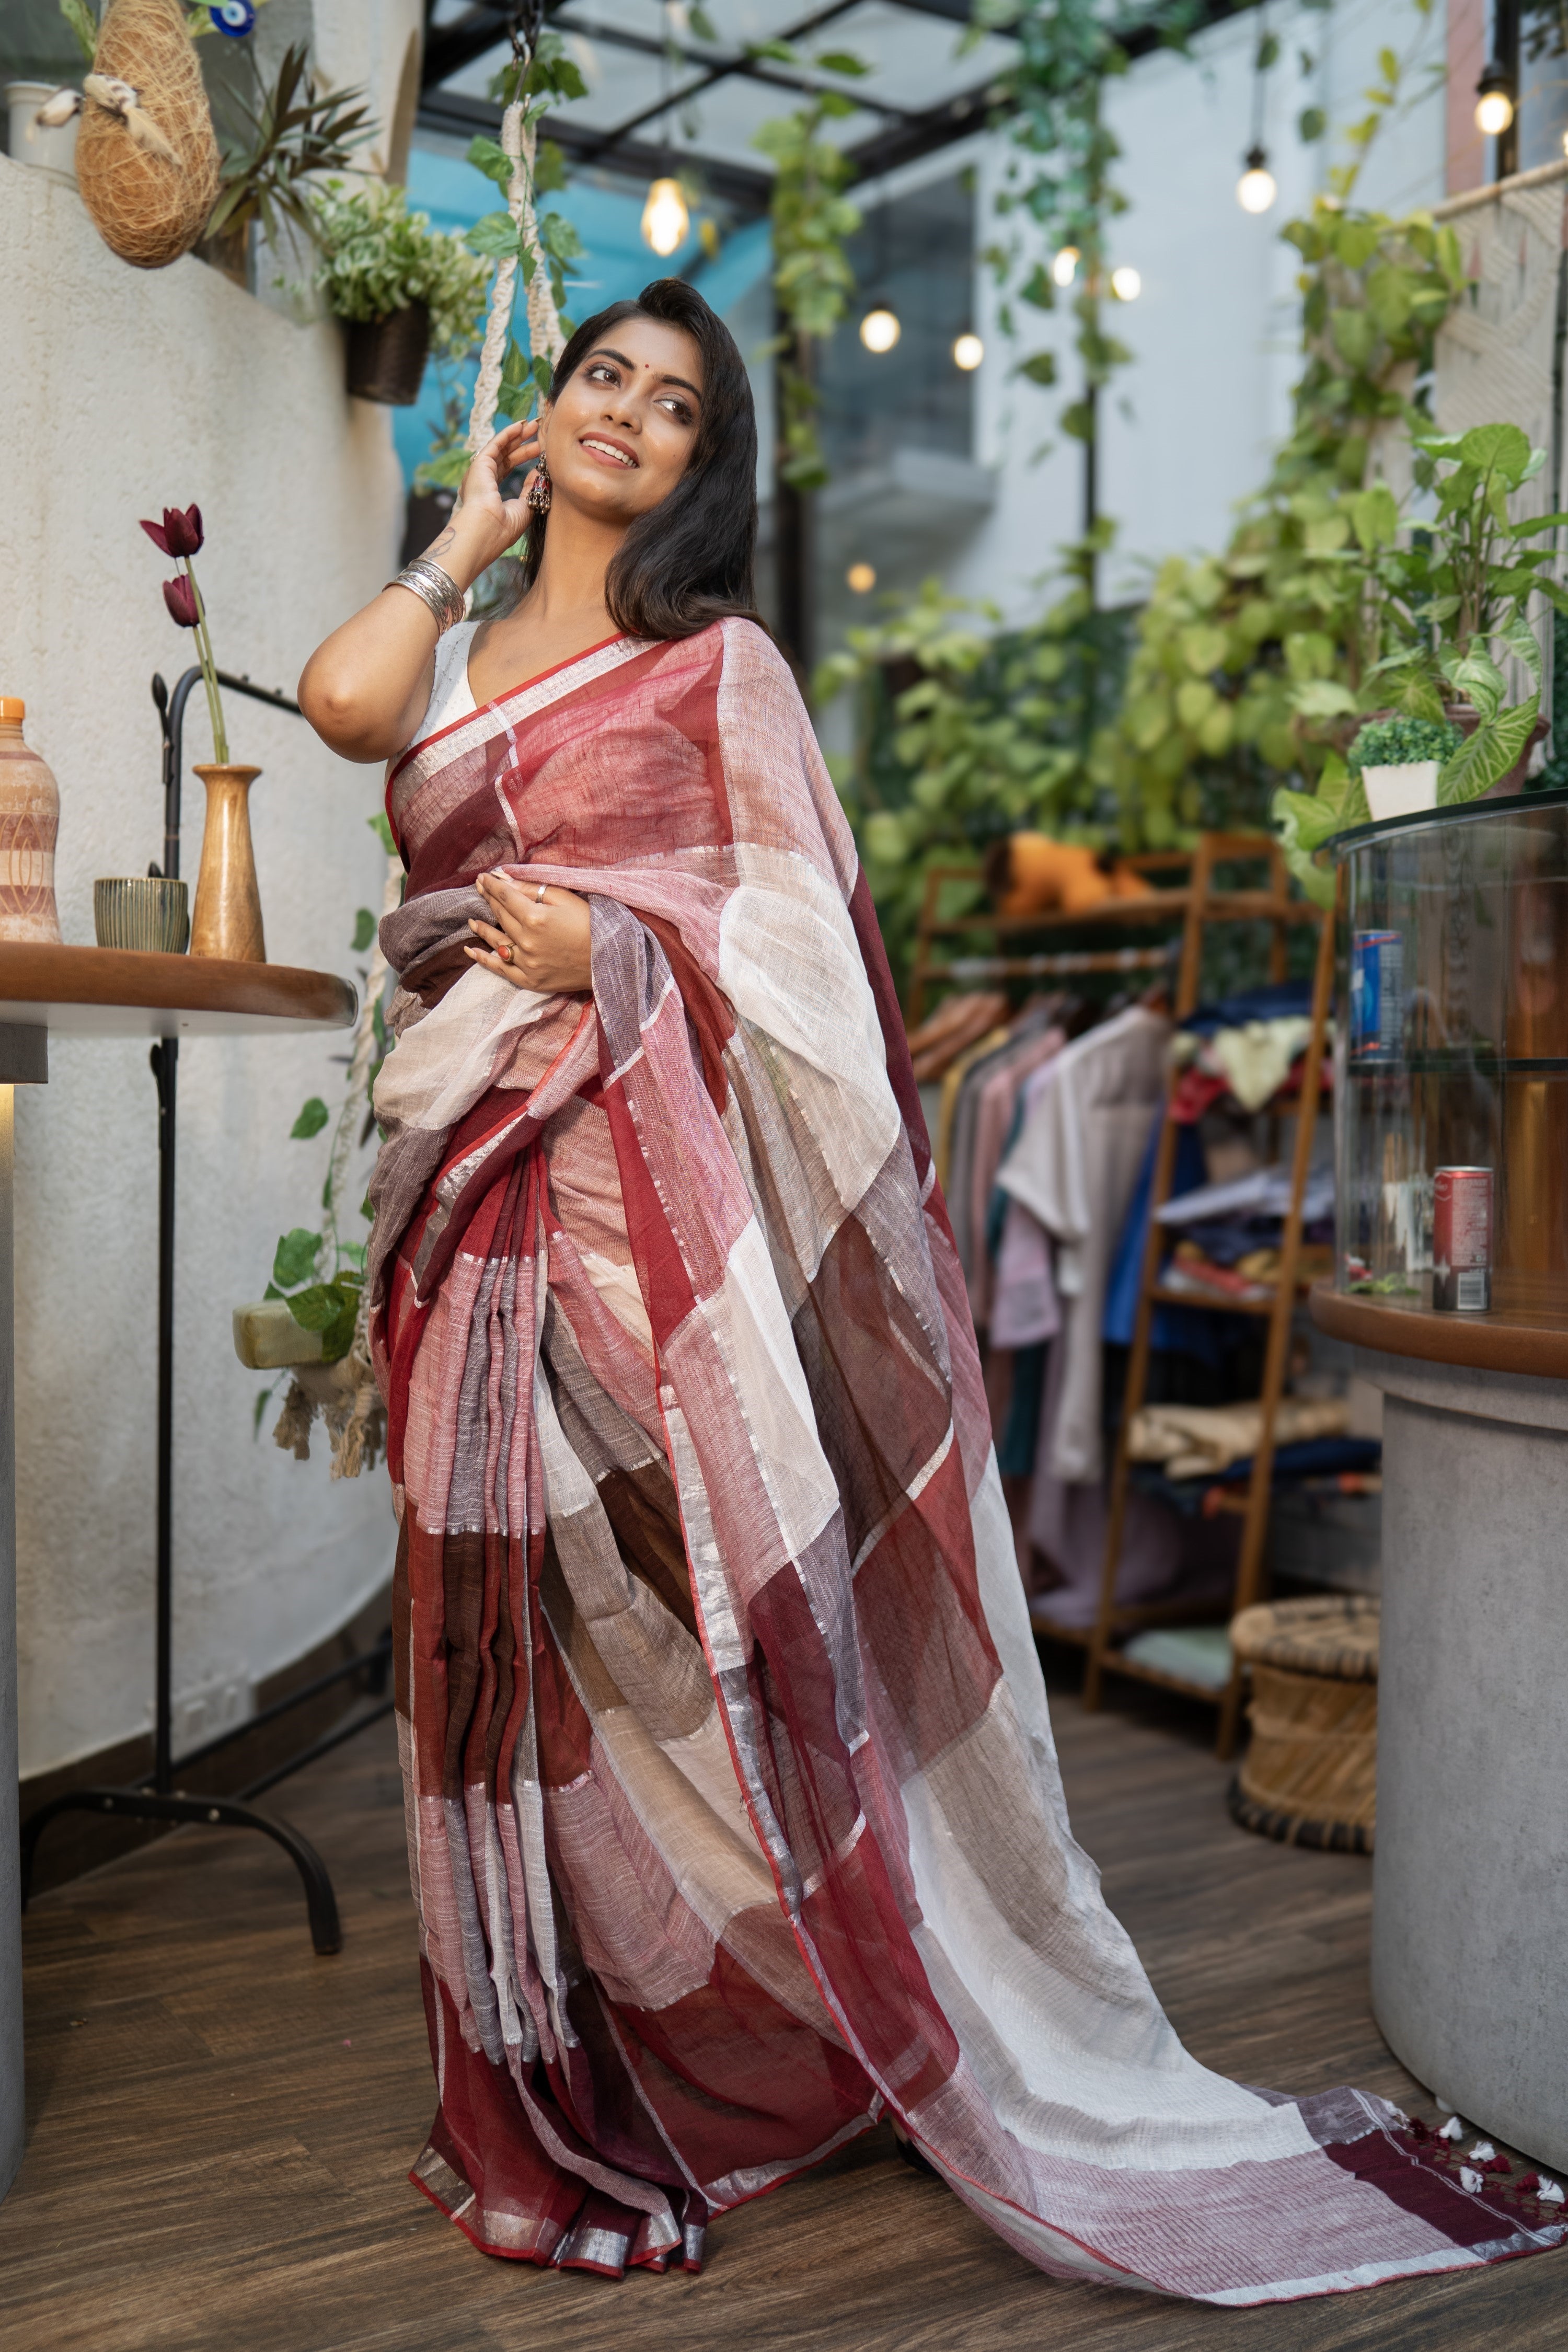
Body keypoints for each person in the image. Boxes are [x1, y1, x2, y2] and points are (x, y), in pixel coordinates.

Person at [298, 279, 1559, 2299]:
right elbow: (344, 706)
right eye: (601, 378)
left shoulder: (716, 670)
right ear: (545, 410)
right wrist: (467, 525)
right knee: (519, 1636)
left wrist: (606, 948)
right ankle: (591, 2033)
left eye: (677, 404)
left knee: (683, 1635)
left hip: (636, 1209)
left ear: (711, 466)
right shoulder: (455, 651)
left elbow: (796, 945)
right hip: (464, 1200)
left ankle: (797, 2030)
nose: (629, 414)